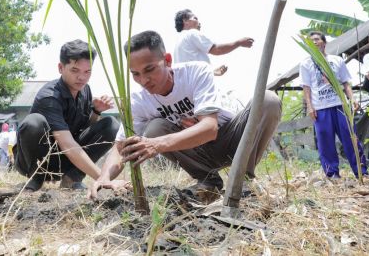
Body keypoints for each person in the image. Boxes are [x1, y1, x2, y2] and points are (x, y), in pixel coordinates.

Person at [88, 30, 281, 201]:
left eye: (149, 69)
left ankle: (244, 180)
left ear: (168, 60)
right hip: (196, 152)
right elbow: (120, 146)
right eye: (135, 74)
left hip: (232, 140)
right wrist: (104, 177)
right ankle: (208, 182)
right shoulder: (139, 100)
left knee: (268, 99)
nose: (143, 80)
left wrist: (155, 144)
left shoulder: (195, 72)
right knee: (155, 128)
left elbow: (209, 129)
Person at [14, 40, 120, 192]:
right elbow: (68, 145)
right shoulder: (49, 97)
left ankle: (72, 178)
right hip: (39, 159)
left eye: (87, 72)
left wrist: (96, 111)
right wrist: (103, 179)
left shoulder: (85, 90)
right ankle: (36, 178)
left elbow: (85, 132)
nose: (81, 78)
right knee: (33, 123)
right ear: (60, 68)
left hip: (67, 159)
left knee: (112, 125)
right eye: (75, 70)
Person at [300, 31, 368, 179]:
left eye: (317, 39)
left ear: (324, 42)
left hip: (340, 105)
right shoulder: (306, 64)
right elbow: (306, 87)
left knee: (351, 138)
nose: (315, 42)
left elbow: (346, 82)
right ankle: (332, 175)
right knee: (325, 143)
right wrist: (310, 107)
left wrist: (352, 99)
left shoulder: (336, 60)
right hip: (320, 108)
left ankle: (362, 172)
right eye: (311, 41)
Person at [173, 9, 254, 76]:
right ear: (185, 20)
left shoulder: (178, 45)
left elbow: (190, 72)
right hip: (199, 89)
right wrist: (239, 43)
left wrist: (212, 72)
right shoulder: (191, 33)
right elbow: (217, 50)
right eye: (195, 18)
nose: (199, 23)